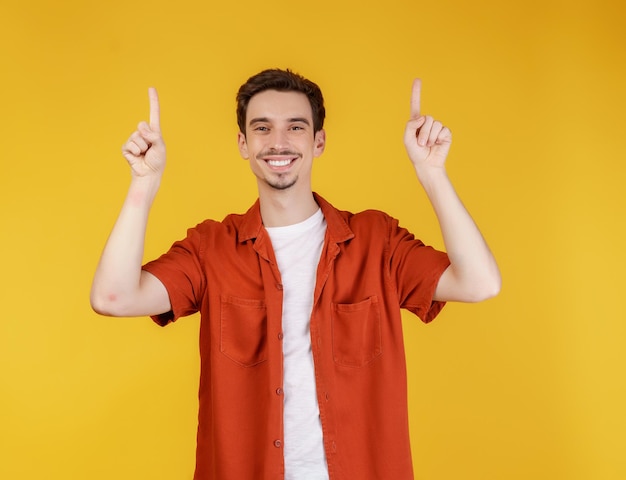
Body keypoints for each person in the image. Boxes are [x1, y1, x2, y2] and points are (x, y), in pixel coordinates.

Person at [90, 69, 501, 480]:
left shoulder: (378, 243)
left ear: (318, 141)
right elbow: (113, 298)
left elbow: (480, 283)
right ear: (243, 144)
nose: (279, 142)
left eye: (296, 127)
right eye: (262, 128)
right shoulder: (211, 248)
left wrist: (432, 172)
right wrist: (143, 184)